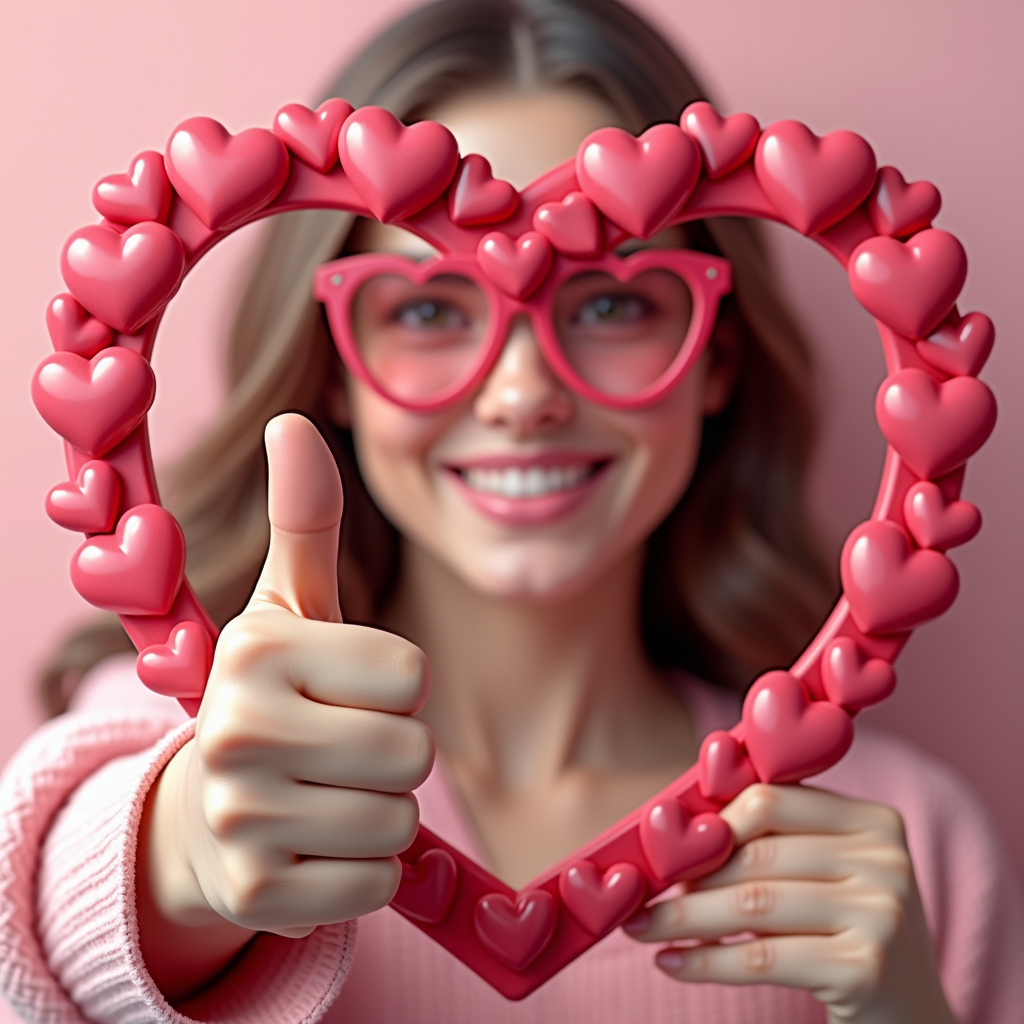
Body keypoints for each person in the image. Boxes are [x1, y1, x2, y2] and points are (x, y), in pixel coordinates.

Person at [2, 1, 1022, 1022]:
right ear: (337, 375)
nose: (521, 393)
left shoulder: (910, 841)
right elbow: (42, 920)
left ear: (715, 357)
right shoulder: (196, 740)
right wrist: (178, 858)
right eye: (430, 310)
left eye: (613, 304)